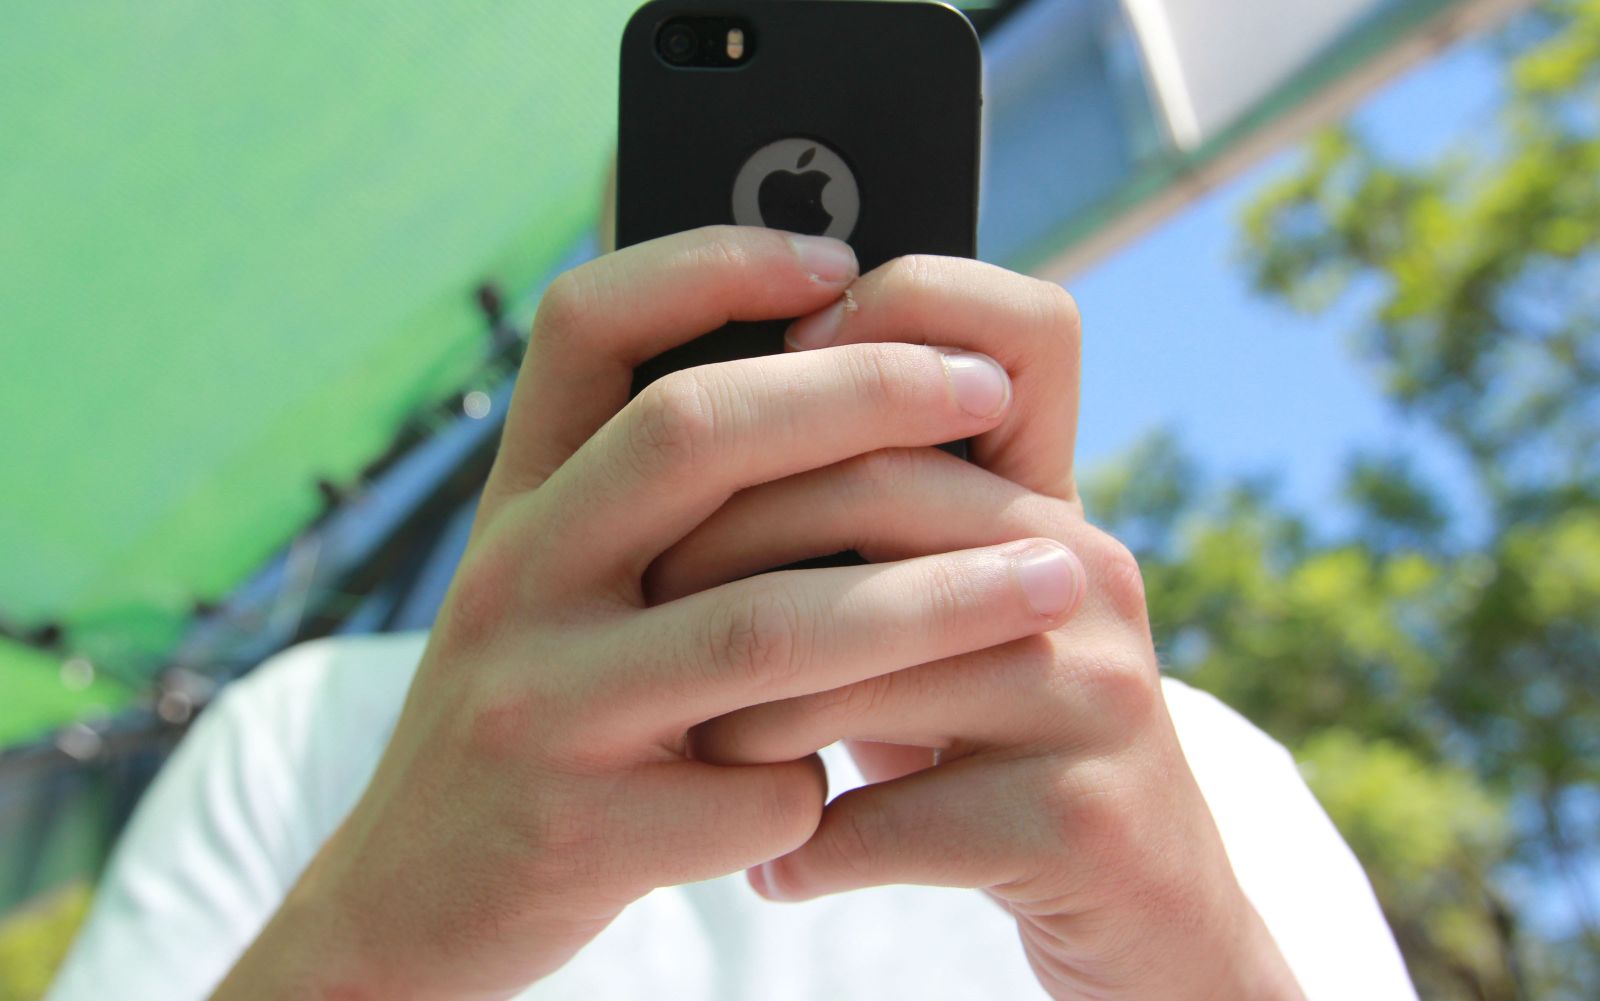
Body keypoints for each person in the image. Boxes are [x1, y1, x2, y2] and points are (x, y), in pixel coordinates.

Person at [46, 226, 1419, 1000]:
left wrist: (1198, 963)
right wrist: (366, 941)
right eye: (682, 215)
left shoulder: (1188, 781)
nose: (780, 324)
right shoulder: (308, 730)